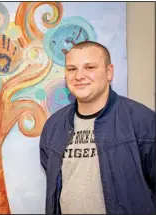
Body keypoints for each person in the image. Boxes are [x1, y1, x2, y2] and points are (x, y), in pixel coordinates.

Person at [40, 41, 155, 214]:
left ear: (109, 72)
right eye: (72, 69)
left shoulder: (142, 121)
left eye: (90, 67)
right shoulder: (54, 126)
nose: (79, 76)